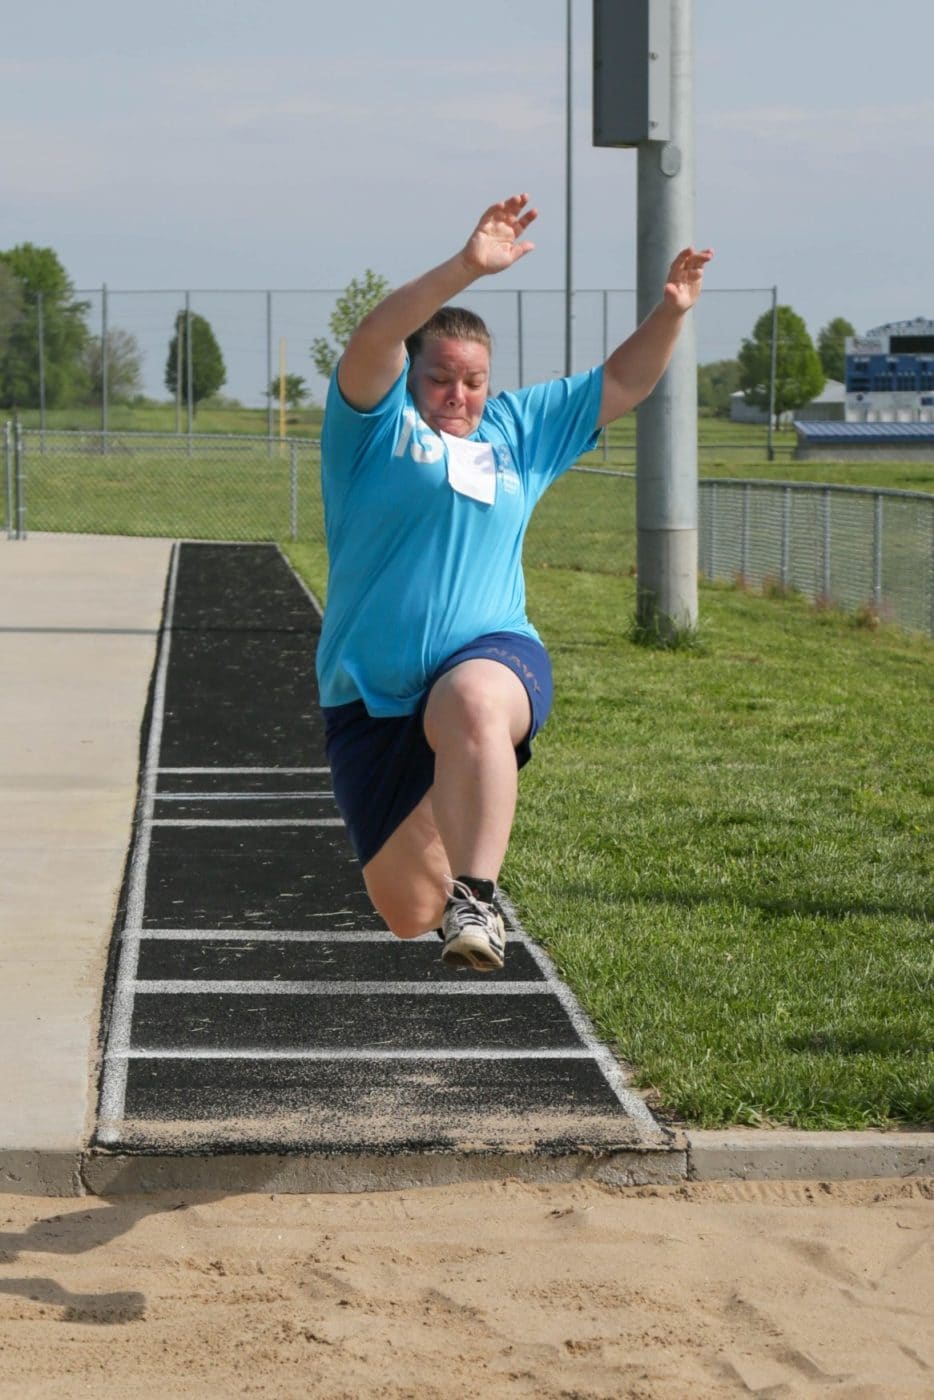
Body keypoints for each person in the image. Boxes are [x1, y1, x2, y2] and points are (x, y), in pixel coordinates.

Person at [317, 193, 712, 972]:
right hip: (368, 691)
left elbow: (623, 381)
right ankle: (453, 796)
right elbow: (375, 336)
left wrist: (671, 314)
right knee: (407, 911)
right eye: (440, 378)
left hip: (491, 652)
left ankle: (478, 896)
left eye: (474, 381)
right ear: (412, 376)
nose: (458, 394)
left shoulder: (517, 434)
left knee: (471, 703)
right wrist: (467, 266)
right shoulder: (371, 428)